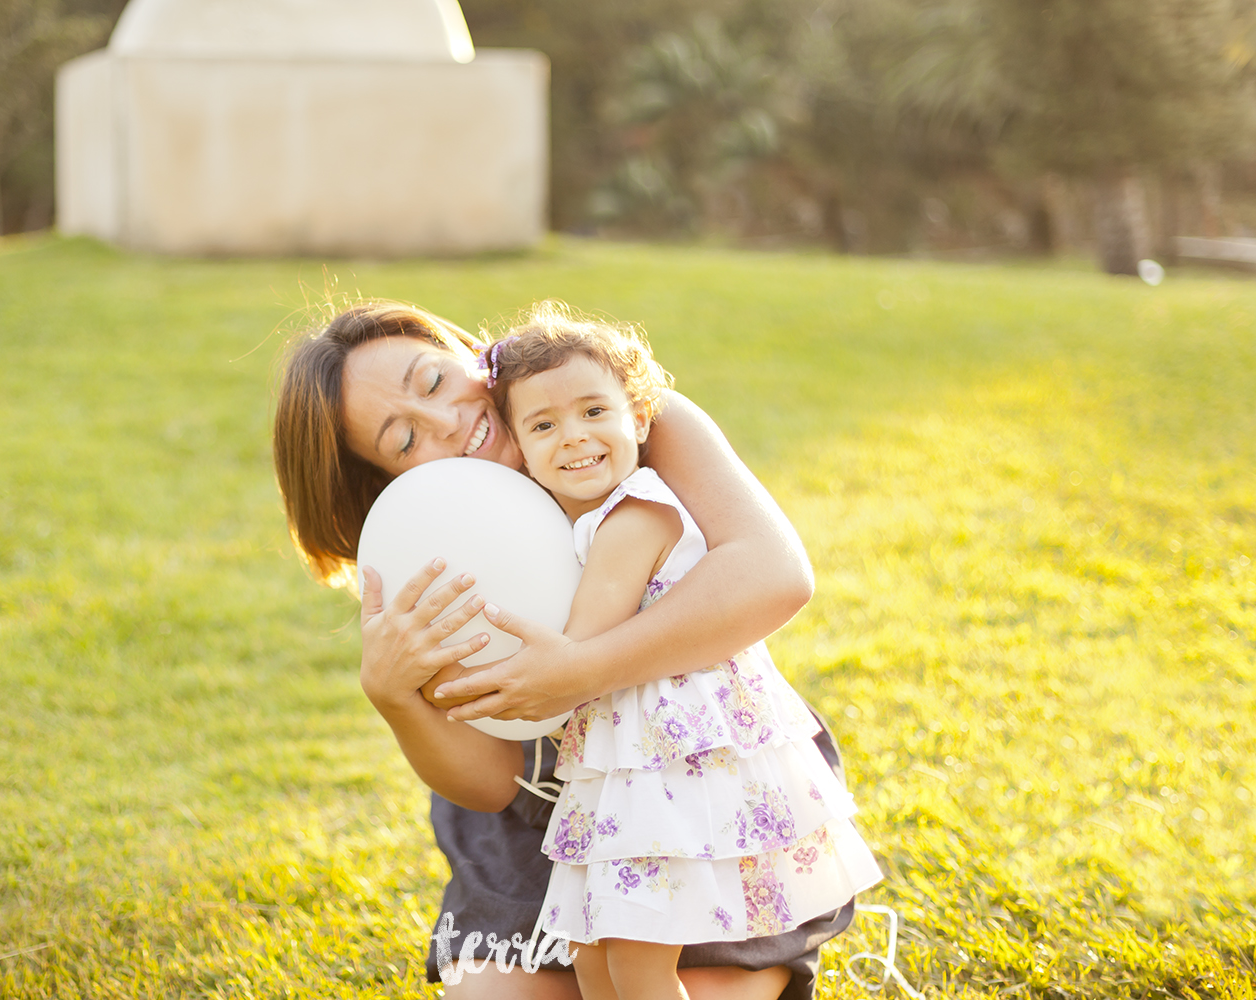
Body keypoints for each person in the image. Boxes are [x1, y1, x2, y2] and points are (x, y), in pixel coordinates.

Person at [272, 300, 855, 1000]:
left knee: (684, 986)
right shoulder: (428, 546)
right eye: (404, 439)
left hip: (697, 783)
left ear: (466, 351)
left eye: (433, 382)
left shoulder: (616, 414)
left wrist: (579, 671)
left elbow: (774, 574)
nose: (449, 422)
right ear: (390, 481)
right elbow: (492, 784)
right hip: (543, 818)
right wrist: (395, 698)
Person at [475, 311, 882, 1000]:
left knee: (637, 967)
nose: (572, 435)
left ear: (639, 418)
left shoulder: (635, 514)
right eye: (543, 427)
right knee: (592, 959)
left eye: (593, 411)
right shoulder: (589, 519)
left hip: (668, 760)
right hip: (627, 756)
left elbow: (582, 640)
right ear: (519, 446)